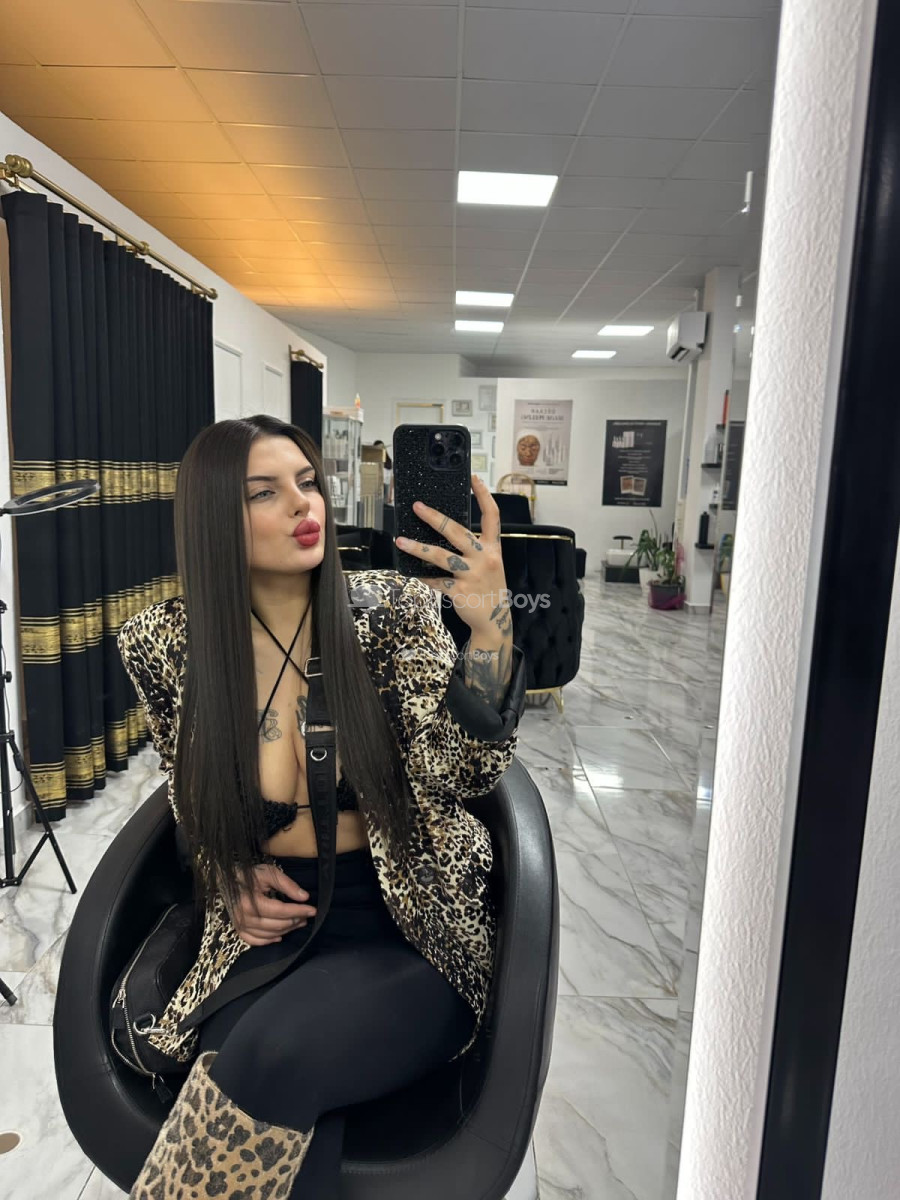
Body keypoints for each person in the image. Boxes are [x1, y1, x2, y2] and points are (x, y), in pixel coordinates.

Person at [120, 414, 525, 1199]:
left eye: (307, 482)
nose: (303, 505)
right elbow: (187, 795)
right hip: (268, 933)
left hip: (407, 928)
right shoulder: (167, 645)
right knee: (257, 1083)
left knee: (272, 1058)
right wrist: (230, 874)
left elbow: (462, 772)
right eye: (263, 493)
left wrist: (490, 633)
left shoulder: (390, 612)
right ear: (211, 516)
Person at [373, 438, 393, 503]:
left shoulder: (389, 461)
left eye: (382, 447)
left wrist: (390, 495)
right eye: (379, 448)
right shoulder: (374, 461)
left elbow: (391, 478)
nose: (381, 449)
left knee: (385, 505)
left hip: (386, 486)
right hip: (377, 487)